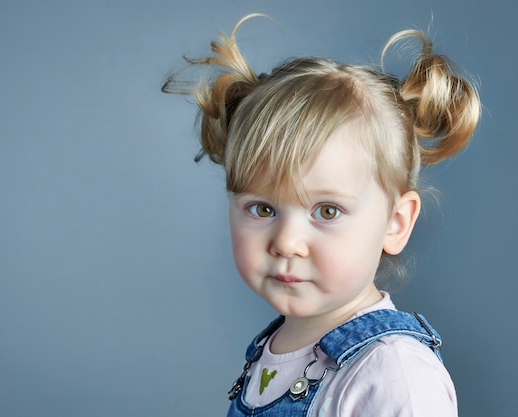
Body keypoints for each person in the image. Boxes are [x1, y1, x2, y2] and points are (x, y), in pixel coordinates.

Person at [162, 13, 480, 417]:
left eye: (327, 211)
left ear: (396, 223)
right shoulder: (278, 347)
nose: (286, 242)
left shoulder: (393, 373)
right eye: (262, 208)